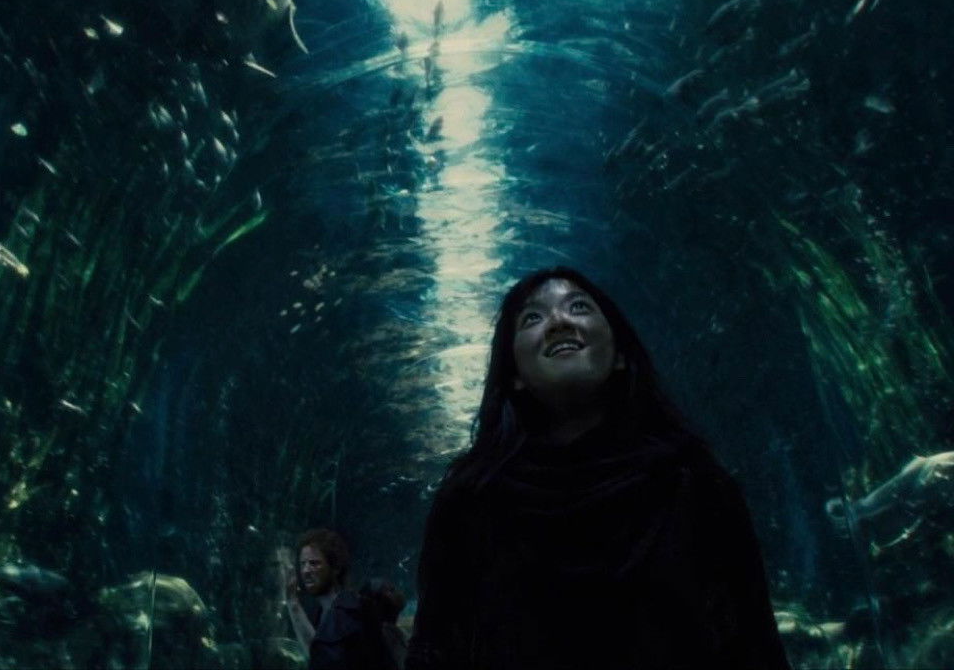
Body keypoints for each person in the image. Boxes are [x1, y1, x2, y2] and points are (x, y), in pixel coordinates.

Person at [404, 267, 791, 669]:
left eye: (578, 307)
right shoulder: (472, 500)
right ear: (513, 374)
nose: (558, 322)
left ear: (621, 353)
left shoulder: (693, 483)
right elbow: (436, 649)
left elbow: (754, 642)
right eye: (533, 317)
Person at [284, 528, 396, 670]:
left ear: (335, 567)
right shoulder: (323, 613)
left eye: (314, 563)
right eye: (303, 564)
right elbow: (319, 655)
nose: (306, 570)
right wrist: (292, 602)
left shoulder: (354, 611)